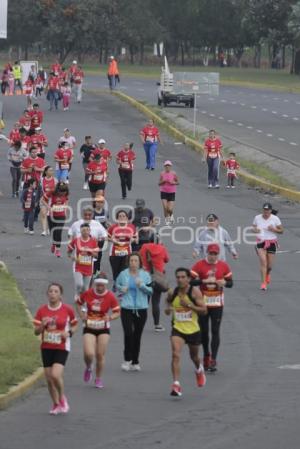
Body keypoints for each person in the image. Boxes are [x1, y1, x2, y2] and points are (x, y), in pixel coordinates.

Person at [33, 283, 78, 415]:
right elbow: (36, 332)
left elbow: (75, 325)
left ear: (60, 295)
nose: (52, 294)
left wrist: (68, 333)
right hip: (46, 347)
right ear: (47, 294)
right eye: (50, 291)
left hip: (62, 346)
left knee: (55, 375)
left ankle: (62, 398)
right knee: (48, 379)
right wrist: (42, 325)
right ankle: (55, 404)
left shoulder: (67, 310)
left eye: (56, 291)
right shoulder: (42, 311)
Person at [191, 243, 233, 372]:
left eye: (215, 254)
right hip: (203, 303)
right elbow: (189, 281)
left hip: (217, 303)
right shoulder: (199, 265)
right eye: (211, 254)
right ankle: (206, 356)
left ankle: (213, 359)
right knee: (204, 332)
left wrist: (224, 282)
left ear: (218, 254)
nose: (213, 256)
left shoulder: (223, 265)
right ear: (207, 253)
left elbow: (231, 283)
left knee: (215, 330)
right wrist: (203, 281)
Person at [165, 268, 207, 397]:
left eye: (183, 277)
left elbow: (204, 310)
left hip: (193, 329)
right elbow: (168, 301)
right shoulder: (173, 292)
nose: (180, 279)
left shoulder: (194, 292)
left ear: (189, 279)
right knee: (175, 354)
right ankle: (176, 384)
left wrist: (189, 306)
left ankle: (199, 369)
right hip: (178, 328)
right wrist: (168, 309)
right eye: (178, 277)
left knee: (194, 357)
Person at [75, 273, 120, 388]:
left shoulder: (110, 296)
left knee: (100, 354)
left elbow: (117, 312)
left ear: (106, 286)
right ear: (95, 284)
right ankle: (89, 367)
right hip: (89, 326)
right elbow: (78, 303)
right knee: (89, 354)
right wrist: (82, 316)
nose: (100, 288)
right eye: (98, 285)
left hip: (103, 328)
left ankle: (98, 378)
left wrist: (110, 317)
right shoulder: (88, 293)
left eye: (102, 286)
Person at [116, 252, 152, 371]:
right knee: (128, 333)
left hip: (141, 308)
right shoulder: (123, 274)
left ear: (140, 262)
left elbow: (151, 291)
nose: (133, 263)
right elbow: (116, 287)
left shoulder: (145, 275)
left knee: (137, 335)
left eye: (136, 261)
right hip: (126, 308)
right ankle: (127, 360)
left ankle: (135, 361)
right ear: (128, 262)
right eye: (131, 261)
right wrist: (122, 289)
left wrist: (142, 285)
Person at [252, 202, 283, 290]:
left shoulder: (275, 218)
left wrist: (274, 229)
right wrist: (255, 230)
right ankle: (263, 283)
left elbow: (281, 231)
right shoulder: (257, 217)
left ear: (270, 210)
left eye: (268, 210)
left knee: (269, 266)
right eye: (264, 210)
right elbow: (253, 227)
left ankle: (268, 274)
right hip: (260, 242)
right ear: (263, 210)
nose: (266, 212)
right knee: (263, 262)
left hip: (272, 242)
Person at [140, 239, 169, 331]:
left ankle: (139, 323)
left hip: (145, 277)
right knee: (156, 302)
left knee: (144, 301)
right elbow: (167, 259)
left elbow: (139, 257)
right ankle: (157, 325)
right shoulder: (162, 248)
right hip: (157, 278)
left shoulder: (144, 247)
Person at [67, 223, 99, 296]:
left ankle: (84, 305)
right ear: (80, 231)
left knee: (86, 288)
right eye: (83, 230)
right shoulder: (76, 240)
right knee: (79, 285)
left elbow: (96, 256)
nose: (85, 232)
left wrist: (90, 252)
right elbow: (69, 252)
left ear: (90, 231)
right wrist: (72, 257)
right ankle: (77, 295)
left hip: (89, 268)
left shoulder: (93, 241)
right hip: (78, 267)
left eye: (87, 230)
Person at [108, 210, 137, 285]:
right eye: (120, 216)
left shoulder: (131, 227)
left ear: (127, 218)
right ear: (117, 218)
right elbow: (107, 237)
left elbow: (136, 239)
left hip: (127, 253)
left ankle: (122, 287)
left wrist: (132, 240)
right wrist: (113, 240)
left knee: (124, 271)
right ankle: (116, 282)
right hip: (114, 253)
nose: (122, 217)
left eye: (123, 216)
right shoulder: (113, 227)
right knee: (116, 271)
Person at [43, 182, 69, 257]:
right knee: (53, 231)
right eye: (61, 193)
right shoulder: (51, 192)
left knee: (58, 232)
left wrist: (65, 208)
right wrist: (48, 207)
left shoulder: (65, 193)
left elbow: (66, 200)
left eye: (64, 193)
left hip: (61, 215)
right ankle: (54, 243)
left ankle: (58, 249)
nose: (62, 194)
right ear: (57, 190)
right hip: (51, 215)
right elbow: (43, 200)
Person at [93, 195, 110, 275]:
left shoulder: (105, 212)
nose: (99, 204)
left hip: (101, 237)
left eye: (101, 202)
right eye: (98, 202)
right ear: (95, 203)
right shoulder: (92, 212)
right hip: (94, 236)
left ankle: (97, 269)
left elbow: (106, 222)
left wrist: (109, 225)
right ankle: (93, 269)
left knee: (99, 253)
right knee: (93, 253)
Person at [159, 160, 179, 225]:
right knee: (165, 207)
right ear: (164, 166)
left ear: (171, 167)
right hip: (163, 191)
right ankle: (167, 219)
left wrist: (173, 182)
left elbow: (178, 182)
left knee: (169, 209)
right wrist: (163, 181)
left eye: (169, 166)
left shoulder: (174, 173)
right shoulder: (162, 173)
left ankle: (171, 215)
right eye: (166, 166)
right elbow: (159, 183)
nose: (167, 167)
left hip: (171, 192)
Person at [40, 166, 57, 236]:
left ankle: (50, 228)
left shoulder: (55, 180)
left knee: (51, 215)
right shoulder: (42, 180)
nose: (51, 172)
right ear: (46, 172)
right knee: (43, 213)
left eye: (52, 170)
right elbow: (39, 190)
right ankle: (44, 230)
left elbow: (57, 190)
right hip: (44, 199)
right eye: (50, 170)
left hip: (52, 200)